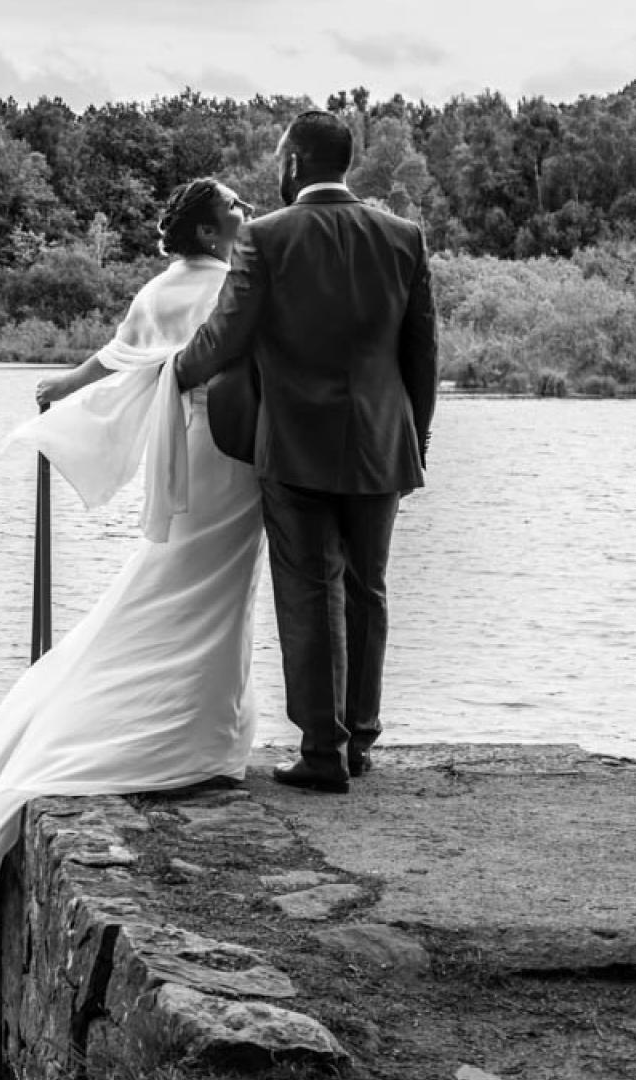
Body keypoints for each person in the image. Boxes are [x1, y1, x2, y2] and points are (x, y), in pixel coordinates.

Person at [0, 179, 262, 935]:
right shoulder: (231, 285)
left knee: (181, 582)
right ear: (207, 229)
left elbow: (115, 358)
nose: (245, 212)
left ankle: (196, 721)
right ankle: (189, 728)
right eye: (233, 207)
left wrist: (65, 384)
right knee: (209, 587)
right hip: (230, 454)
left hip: (197, 449)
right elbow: (153, 357)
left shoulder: (165, 288)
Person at [173, 110, 438, 795]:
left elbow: (223, 340)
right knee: (367, 587)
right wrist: (418, 444)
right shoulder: (404, 236)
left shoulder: (266, 238)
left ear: (294, 161)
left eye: (280, 156)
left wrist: (165, 374)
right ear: (344, 163)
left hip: (295, 444)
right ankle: (361, 738)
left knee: (308, 589)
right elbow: (421, 356)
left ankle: (322, 751)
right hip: (383, 443)